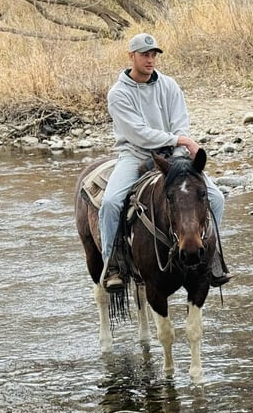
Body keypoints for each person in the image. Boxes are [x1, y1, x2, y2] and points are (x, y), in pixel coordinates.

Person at [99, 32, 231, 291]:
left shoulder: (169, 85)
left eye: (153, 55)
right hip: (135, 154)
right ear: (131, 56)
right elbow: (138, 133)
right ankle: (113, 264)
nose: (150, 60)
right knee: (111, 202)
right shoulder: (118, 93)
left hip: (174, 155)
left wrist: (178, 143)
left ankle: (212, 256)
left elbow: (180, 122)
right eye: (144, 55)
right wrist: (180, 140)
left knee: (216, 198)